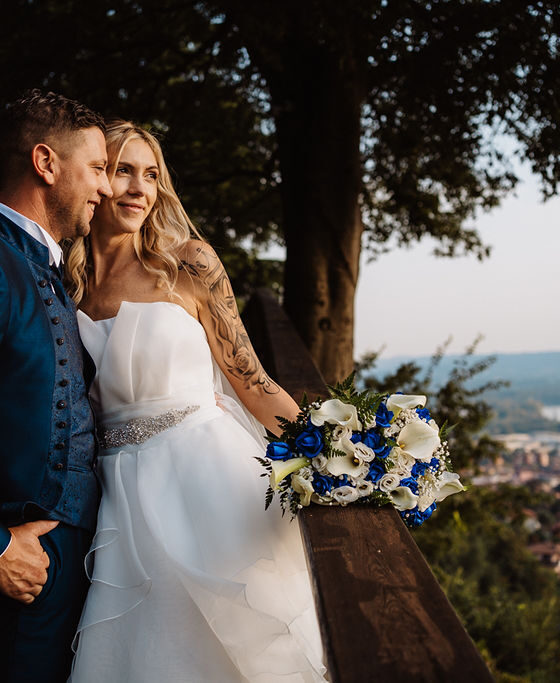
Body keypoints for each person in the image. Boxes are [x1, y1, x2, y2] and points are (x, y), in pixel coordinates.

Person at [65, 120, 327, 682]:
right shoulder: (67, 287)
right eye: (122, 171)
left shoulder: (187, 263)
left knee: (246, 645)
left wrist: (335, 454)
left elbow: (252, 381)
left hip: (208, 476)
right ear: (94, 179)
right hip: (113, 496)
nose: (139, 187)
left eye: (151, 175)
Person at [0, 90, 113, 682]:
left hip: (65, 576)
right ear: (46, 164)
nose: (109, 187)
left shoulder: (47, 267)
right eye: (96, 168)